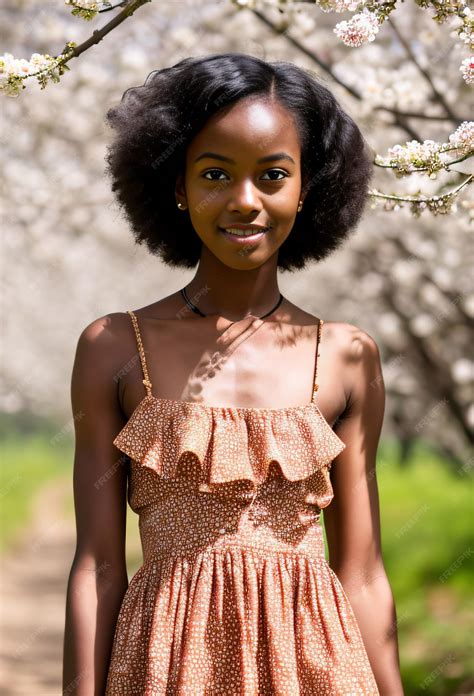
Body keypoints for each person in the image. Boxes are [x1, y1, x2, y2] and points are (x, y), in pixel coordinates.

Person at [62, 52, 404, 695]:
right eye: (215, 173)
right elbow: (99, 567)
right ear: (177, 186)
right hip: (166, 668)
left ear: (307, 188)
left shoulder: (348, 356)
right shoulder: (113, 347)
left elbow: (361, 573)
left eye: (272, 175)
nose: (245, 201)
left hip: (317, 669)